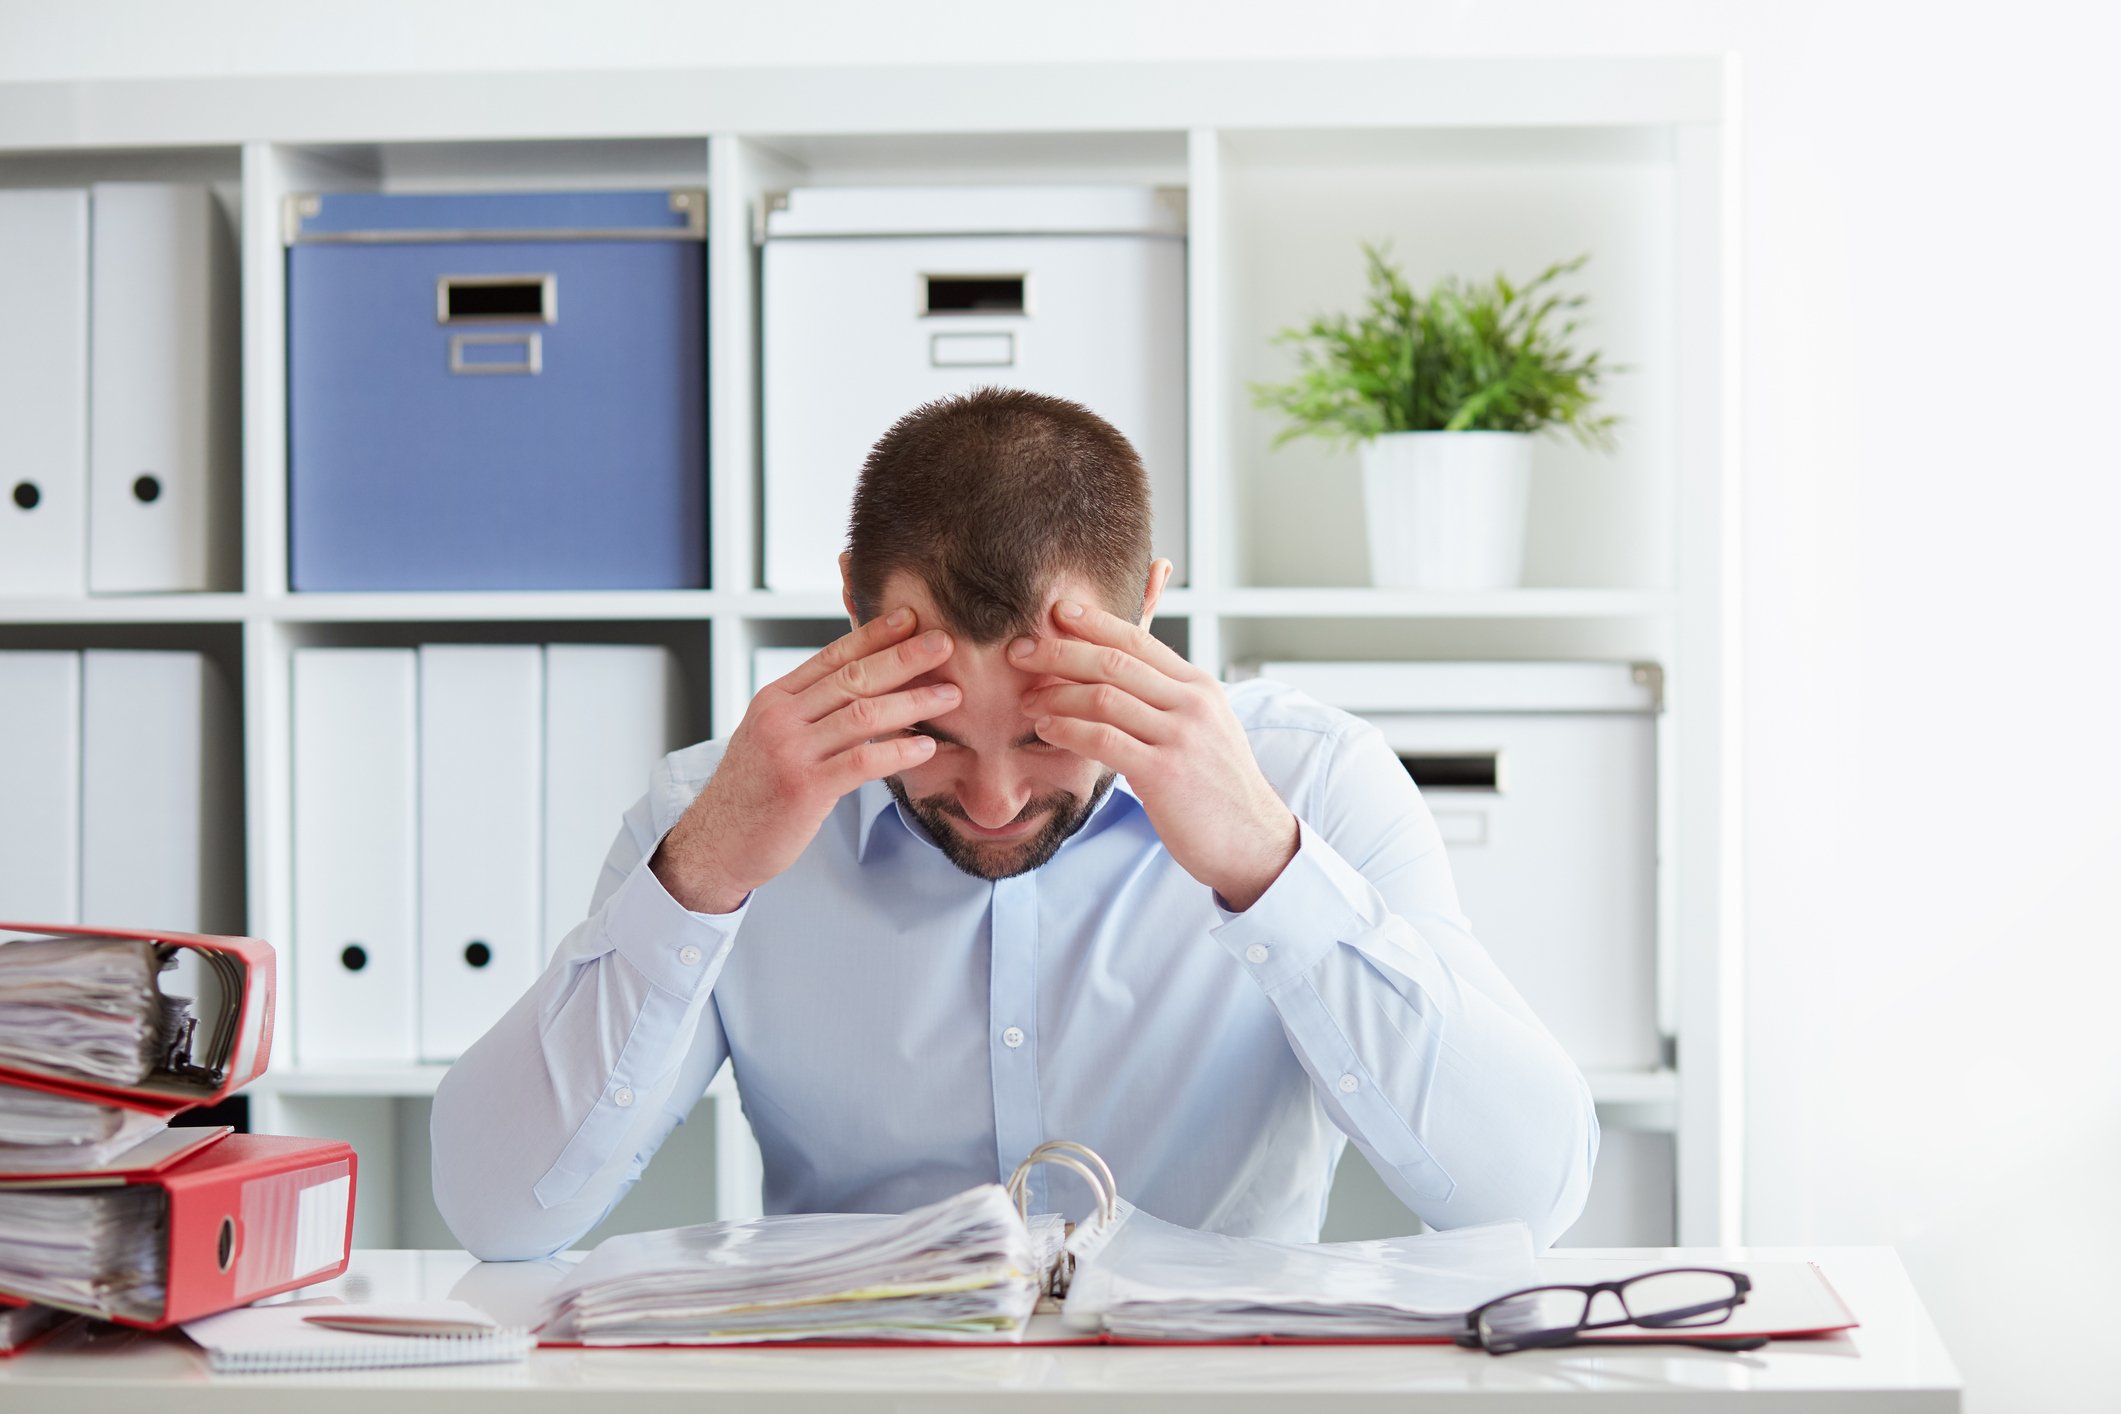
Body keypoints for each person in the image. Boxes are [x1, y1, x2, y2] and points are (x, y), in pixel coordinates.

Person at [432, 387, 1597, 1261]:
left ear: (1147, 606)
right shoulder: (725, 805)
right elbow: (494, 1206)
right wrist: (702, 875)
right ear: (852, 605)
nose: (991, 805)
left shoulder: (1312, 782)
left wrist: (1265, 866)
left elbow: (1527, 1195)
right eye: (936, 734)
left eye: (1047, 732)